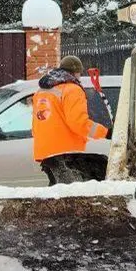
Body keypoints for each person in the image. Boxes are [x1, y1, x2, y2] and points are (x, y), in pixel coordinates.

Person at [32, 55, 109, 184]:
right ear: (76, 72)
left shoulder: (41, 91)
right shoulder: (72, 90)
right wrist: (106, 132)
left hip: (44, 151)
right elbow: (78, 123)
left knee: (58, 189)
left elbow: (37, 122)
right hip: (65, 151)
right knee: (70, 192)